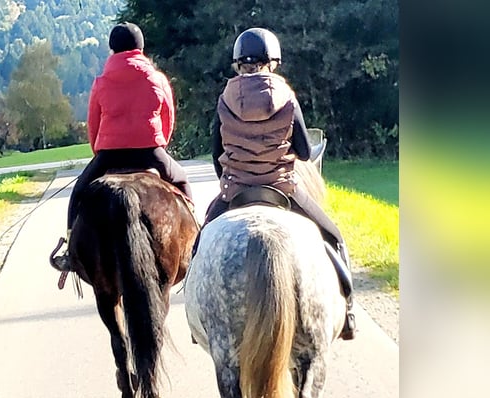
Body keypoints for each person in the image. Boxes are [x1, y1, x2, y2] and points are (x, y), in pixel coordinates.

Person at [202, 27, 356, 340]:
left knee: (200, 245)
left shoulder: (225, 99)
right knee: (335, 236)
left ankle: (201, 315)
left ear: (238, 62)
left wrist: (231, 182)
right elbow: (302, 151)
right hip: (283, 187)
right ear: (273, 60)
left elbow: (217, 151)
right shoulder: (286, 96)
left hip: (237, 190)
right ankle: (349, 310)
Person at [50, 22, 193, 273]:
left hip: (109, 154)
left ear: (112, 48)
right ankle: (195, 242)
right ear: (141, 47)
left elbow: (93, 125)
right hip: (150, 149)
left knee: (79, 193)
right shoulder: (157, 79)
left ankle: (71, 250)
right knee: (181, 181)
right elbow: (167, 118)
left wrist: (99, 152)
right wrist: (160, 144)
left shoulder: (101, 82)